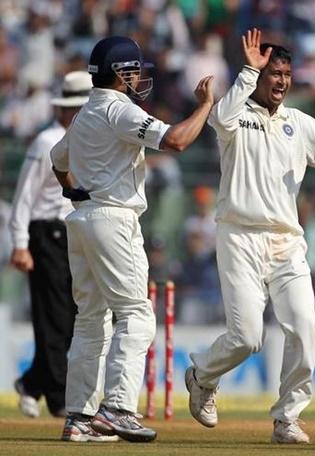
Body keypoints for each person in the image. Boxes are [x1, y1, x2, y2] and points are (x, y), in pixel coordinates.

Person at [184, 28, 315, 444]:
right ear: (258, 75)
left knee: (304, 325)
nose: (281, 80)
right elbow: (219, 117)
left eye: (286, 73)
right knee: (247, 337)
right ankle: (202, 375)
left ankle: (287, 418)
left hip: (286, 242)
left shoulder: (298, 123)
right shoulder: (236, 114)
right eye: (273, 73)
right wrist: (249, 70)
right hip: (239, 237)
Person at [50, 36, 215, 443]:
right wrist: (205, 107)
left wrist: (74, 192)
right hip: (113, 219)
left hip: (83, 217)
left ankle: (79, 419)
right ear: (121, 73)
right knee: (136, 314)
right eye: (136, 69)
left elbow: (59, 161)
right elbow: (176, 140)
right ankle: (118, 408)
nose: (140, 76)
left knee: (91, 320)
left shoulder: (86, 112)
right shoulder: (119, 111)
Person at [8, 71, 91, 419]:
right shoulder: (46, 141)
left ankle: (32, 383)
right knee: (54, 318)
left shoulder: (87, 142)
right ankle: (58, 398)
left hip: (74, 233)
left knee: (72, 318)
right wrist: (20, 243)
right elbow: (24, 196)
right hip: (46, 235)